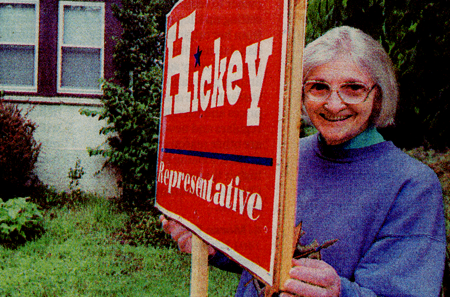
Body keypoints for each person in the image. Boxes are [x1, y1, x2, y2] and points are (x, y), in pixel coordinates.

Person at [160, 26, 446, 296]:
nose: (334, 104)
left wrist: (339, 293)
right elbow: (257, 254)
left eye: (354, 88)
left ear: (378, 96)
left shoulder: (411, 185)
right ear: (300, 94)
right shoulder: (284, 156)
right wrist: (213, 244)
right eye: (318, 87)